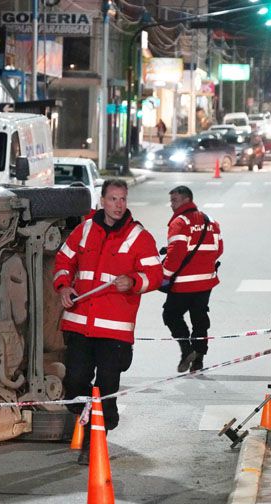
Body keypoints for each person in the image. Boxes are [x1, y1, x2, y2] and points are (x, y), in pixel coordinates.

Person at [53, 178, 163, 465]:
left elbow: (156, 274)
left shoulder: (139, 237)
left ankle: (94, 441)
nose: (118, 205)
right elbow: (64, 261)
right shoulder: (84, 230)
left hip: (114, 330)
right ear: (102, 201)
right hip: (80, 324)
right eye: (113, 199)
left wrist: (135, 281)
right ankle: (106, 412)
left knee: (105, 385)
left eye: (123, 199)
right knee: (75, 382)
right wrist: (64, 286)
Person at [161, 186, 223, 373]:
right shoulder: (210, 221)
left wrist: (164, 276)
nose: (172, 205)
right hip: (206, 282)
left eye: (175, 200)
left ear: (187, 199)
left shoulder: (180, 222)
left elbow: (176, 254)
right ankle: (198, 361)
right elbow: (219, 249)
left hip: (183, 283)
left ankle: (187, 350)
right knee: (200, 319)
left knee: (171, 315)